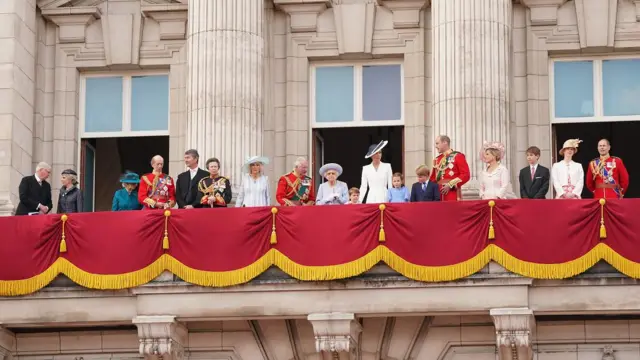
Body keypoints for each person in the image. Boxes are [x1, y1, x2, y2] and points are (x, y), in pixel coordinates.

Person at [429, 135, 470, 201]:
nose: (436, 146)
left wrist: (450, 184)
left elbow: (465, 175)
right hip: (438, 195)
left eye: (437, 143)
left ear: (445, 142)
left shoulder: (458, 156)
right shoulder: (437, 159)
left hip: (452, 193)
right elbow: (433, 179)